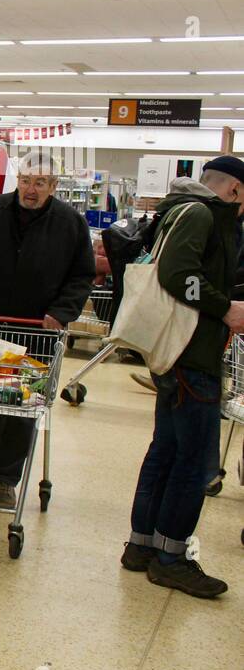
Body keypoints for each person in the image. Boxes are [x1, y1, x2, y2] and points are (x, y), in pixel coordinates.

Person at [121, 157, 244, 599]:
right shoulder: (202, 214)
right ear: (234, 190)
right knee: (194, 462)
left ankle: (142, 546)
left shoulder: (184, 209)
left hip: (177, 352)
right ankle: (172, 558)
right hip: (192, 355)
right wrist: (224, 308)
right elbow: (179, 276)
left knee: (167, 451)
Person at [0, 150, 96, 505]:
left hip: (39, 331)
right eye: (26, 181)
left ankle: (5, 476)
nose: (31, 190)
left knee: (24, 403)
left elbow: (82, 275)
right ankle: (2, 455)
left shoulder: (70, 223)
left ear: (54, 185)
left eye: (41, 183)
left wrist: (62, 312)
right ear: (18, 180)